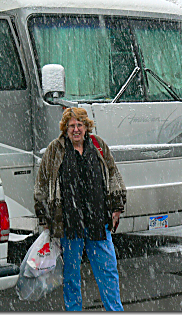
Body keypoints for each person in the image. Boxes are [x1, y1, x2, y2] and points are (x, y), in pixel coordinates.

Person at [34, 107, 127, 311]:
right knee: (71, 277)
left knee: (108, 272)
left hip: (98, 221)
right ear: (65, 129)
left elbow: (113, 174)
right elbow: (41, 184)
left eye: (79, 125)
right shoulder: (55, 149)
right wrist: (45, 217)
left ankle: (115, 310)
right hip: (70, 224)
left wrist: (117, 206)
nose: (76, 129)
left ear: (86, 127)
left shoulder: (98, 145)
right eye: (71, 126)